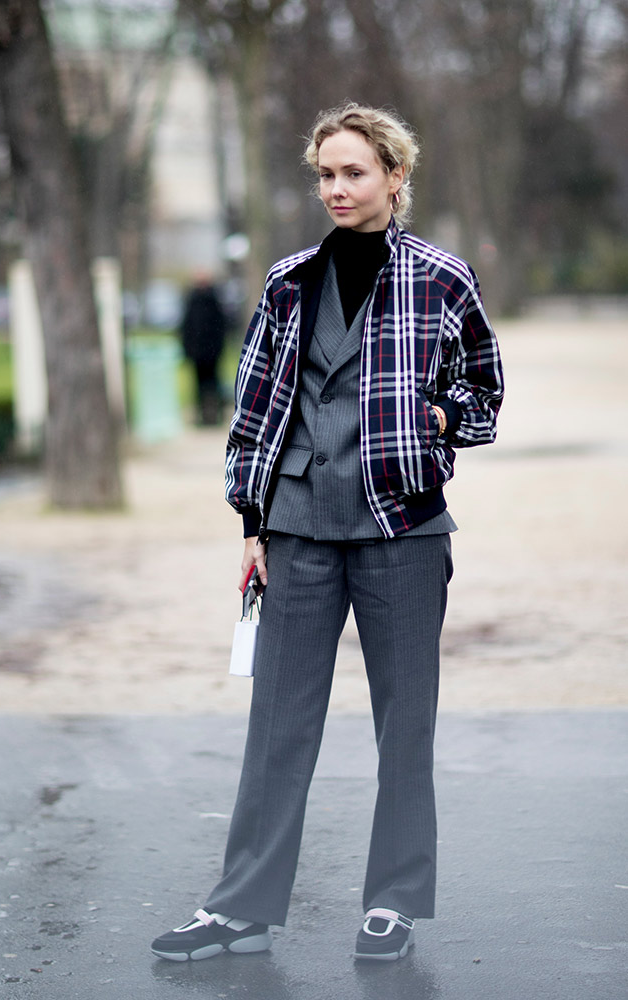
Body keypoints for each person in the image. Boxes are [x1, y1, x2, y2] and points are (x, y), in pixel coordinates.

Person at [152, 102, 504, 963]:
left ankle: (392, 902)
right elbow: (254, 408)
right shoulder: (286, 282)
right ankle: (240, 907)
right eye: (325, 174)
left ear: (394, 176)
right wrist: (250, 520)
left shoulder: (441, 279)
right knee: (276, 723)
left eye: (353, 172)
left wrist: (436, 415)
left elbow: (484, 398)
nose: (336, 188)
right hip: (299, 525)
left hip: (402, 526)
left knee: (404, 725)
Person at [179, 272, 227, 425]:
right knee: (199, 385)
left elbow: (221, 327)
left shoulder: (213, 300)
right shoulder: (192, 301)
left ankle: (214, 415)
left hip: (211, 352)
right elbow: (187, 328)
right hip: (198, 352)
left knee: (212, 384)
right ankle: (203, 415)